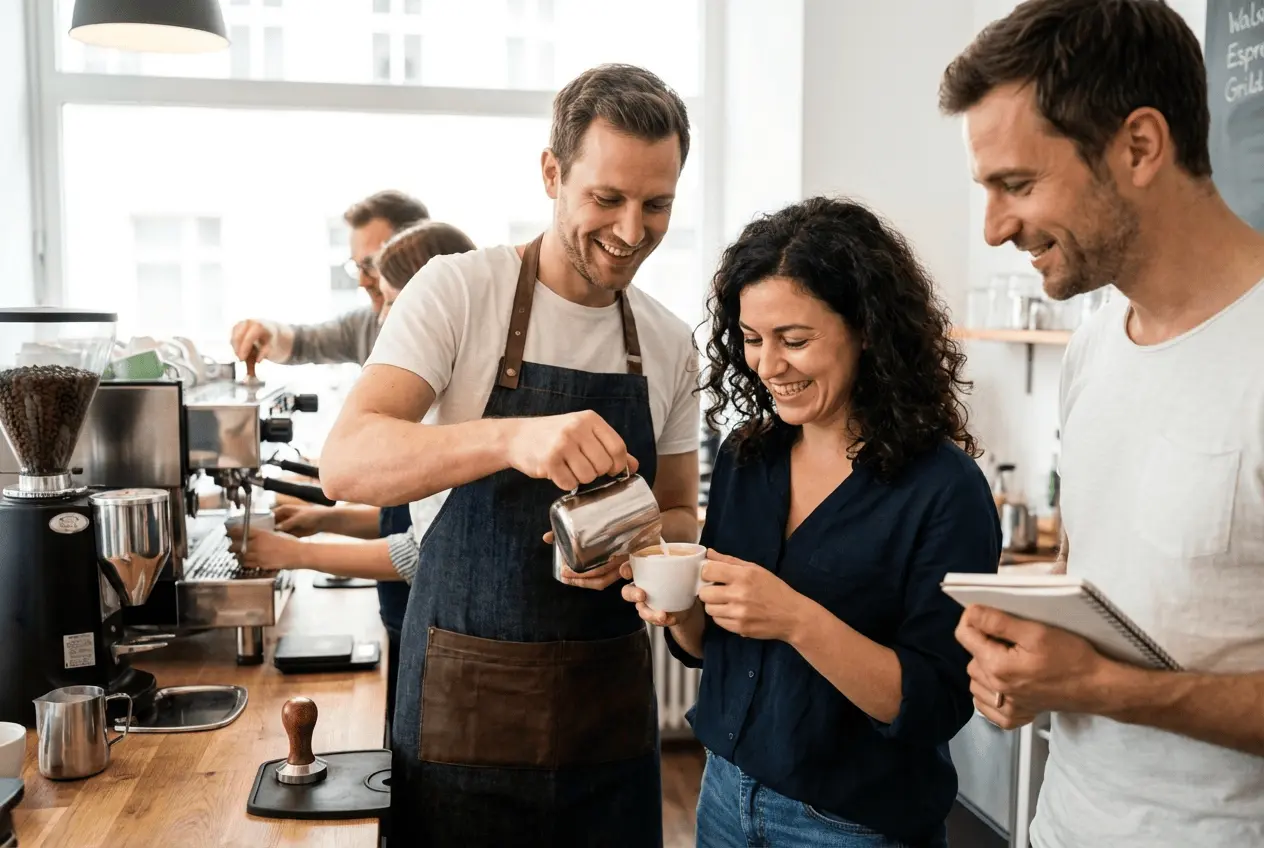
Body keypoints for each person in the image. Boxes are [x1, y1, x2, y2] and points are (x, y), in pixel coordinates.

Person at [318, 64, 700, 847]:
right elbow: (347, 461)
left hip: (608, 732)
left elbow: (679, 513)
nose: (633, 231)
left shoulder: (667, 344)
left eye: (656, 204)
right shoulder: (459, 292)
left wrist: (636, 547)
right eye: (607, 198)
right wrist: (513, 437)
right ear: (552, 174)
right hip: (464, 728)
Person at [939, 1, 1264, 846]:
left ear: (1140, 146)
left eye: (1018, 183)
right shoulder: (1093, 349)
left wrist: (1098, 686)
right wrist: (1030, 650)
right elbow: (1110, 583)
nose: (995, 227)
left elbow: (1108, 675)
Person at [620, 197, 999, 848]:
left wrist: (795, 618)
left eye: (794, 340)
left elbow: (934, 704)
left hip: (853, 824)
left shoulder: (943, 491)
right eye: (752, 339)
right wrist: (678, 610)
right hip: (724, 792)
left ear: (868, 329)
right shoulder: (748, 457)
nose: (768, 365)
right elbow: (718, 649)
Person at [227, 220, 476, 735]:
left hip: (445, 633)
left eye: (387, 296)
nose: (381, 315)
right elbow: (402, 515)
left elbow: (418, 550)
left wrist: (294, 553)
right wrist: (323, 517)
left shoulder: (464, 405)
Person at [229, 189, 429, 366]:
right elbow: (304, 343)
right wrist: (270, 332)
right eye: (357, 266)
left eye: (372, 264)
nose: (362, 281)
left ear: (417, 255)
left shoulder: (450, 328)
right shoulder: (365, 326)